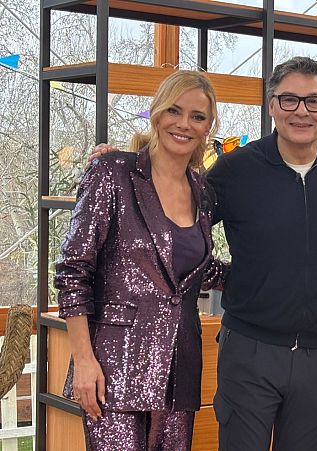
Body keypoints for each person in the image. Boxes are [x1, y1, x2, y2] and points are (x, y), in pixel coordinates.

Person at [206, 57, 317, 450]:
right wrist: (126, 166)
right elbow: (175, 224)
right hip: (249, 350)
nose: (301, 110)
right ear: (271, 106)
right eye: (289, 100)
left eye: (314, 101)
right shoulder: (235, 170)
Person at [55, 70, 226, 450]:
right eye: (174, 111)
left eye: (197, 117)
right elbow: (73, 271)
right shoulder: (113, 173)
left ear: (208, 126)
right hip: (114, 369)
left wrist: (271, 273)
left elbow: (193, 272)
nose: (184, 124)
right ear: (156, 114)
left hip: (179, 371)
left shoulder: (202, 191)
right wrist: (84, 360)